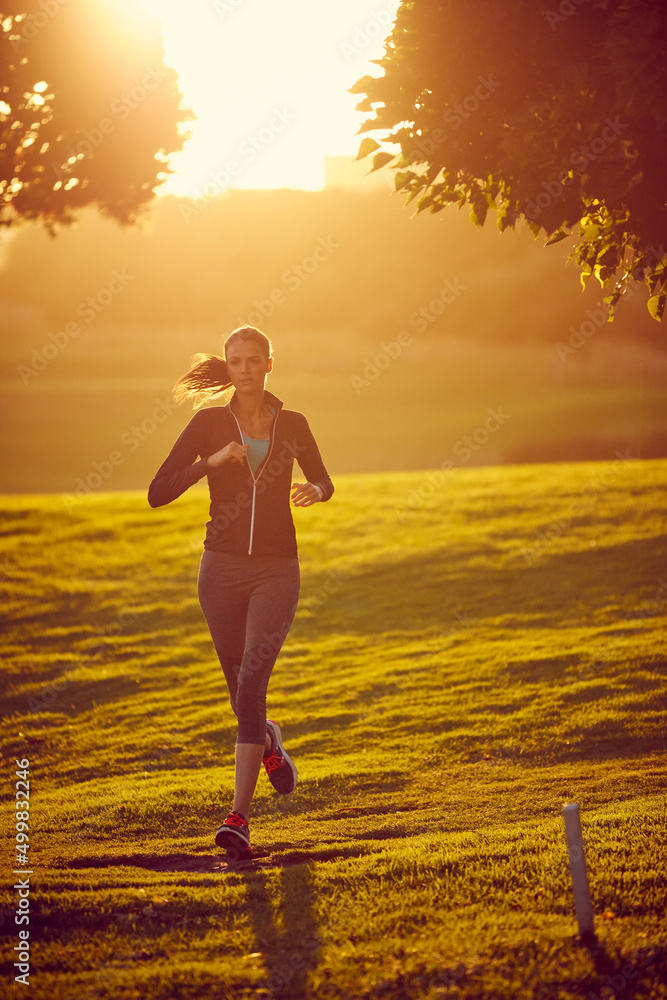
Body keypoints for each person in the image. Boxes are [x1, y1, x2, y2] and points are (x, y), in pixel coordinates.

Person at [147, 326, 334, 857]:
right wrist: (212, 461)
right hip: (220, 573)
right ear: (227, 368)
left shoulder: (292, 424)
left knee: (250, 687)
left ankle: (239, 818)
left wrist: (314, 491)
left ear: (270, 365)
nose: (245, 369)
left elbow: (325, 479)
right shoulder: (207, 424)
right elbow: (157, 492)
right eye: (235, 361)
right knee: (240, 697)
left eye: (254, 360)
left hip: (277, 569)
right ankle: (269, 740)